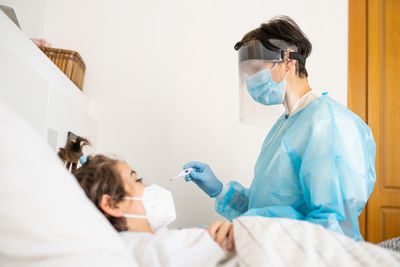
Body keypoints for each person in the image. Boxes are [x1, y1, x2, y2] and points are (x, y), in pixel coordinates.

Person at [183, 16, 376, 241]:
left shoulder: (328, 124)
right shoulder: (285, 125)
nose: (250, 80)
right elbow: (264, 208)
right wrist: (220, 191)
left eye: (256, 68)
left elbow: (333, 226)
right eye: (247, 72)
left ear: (288, 60)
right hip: (279, 250)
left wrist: (249, 236)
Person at [57, 137, 234, 266]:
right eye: (137, 181)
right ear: (112, 205)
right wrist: (221, 238)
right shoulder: (152, 250)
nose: (148, 187)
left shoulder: (147, 243)